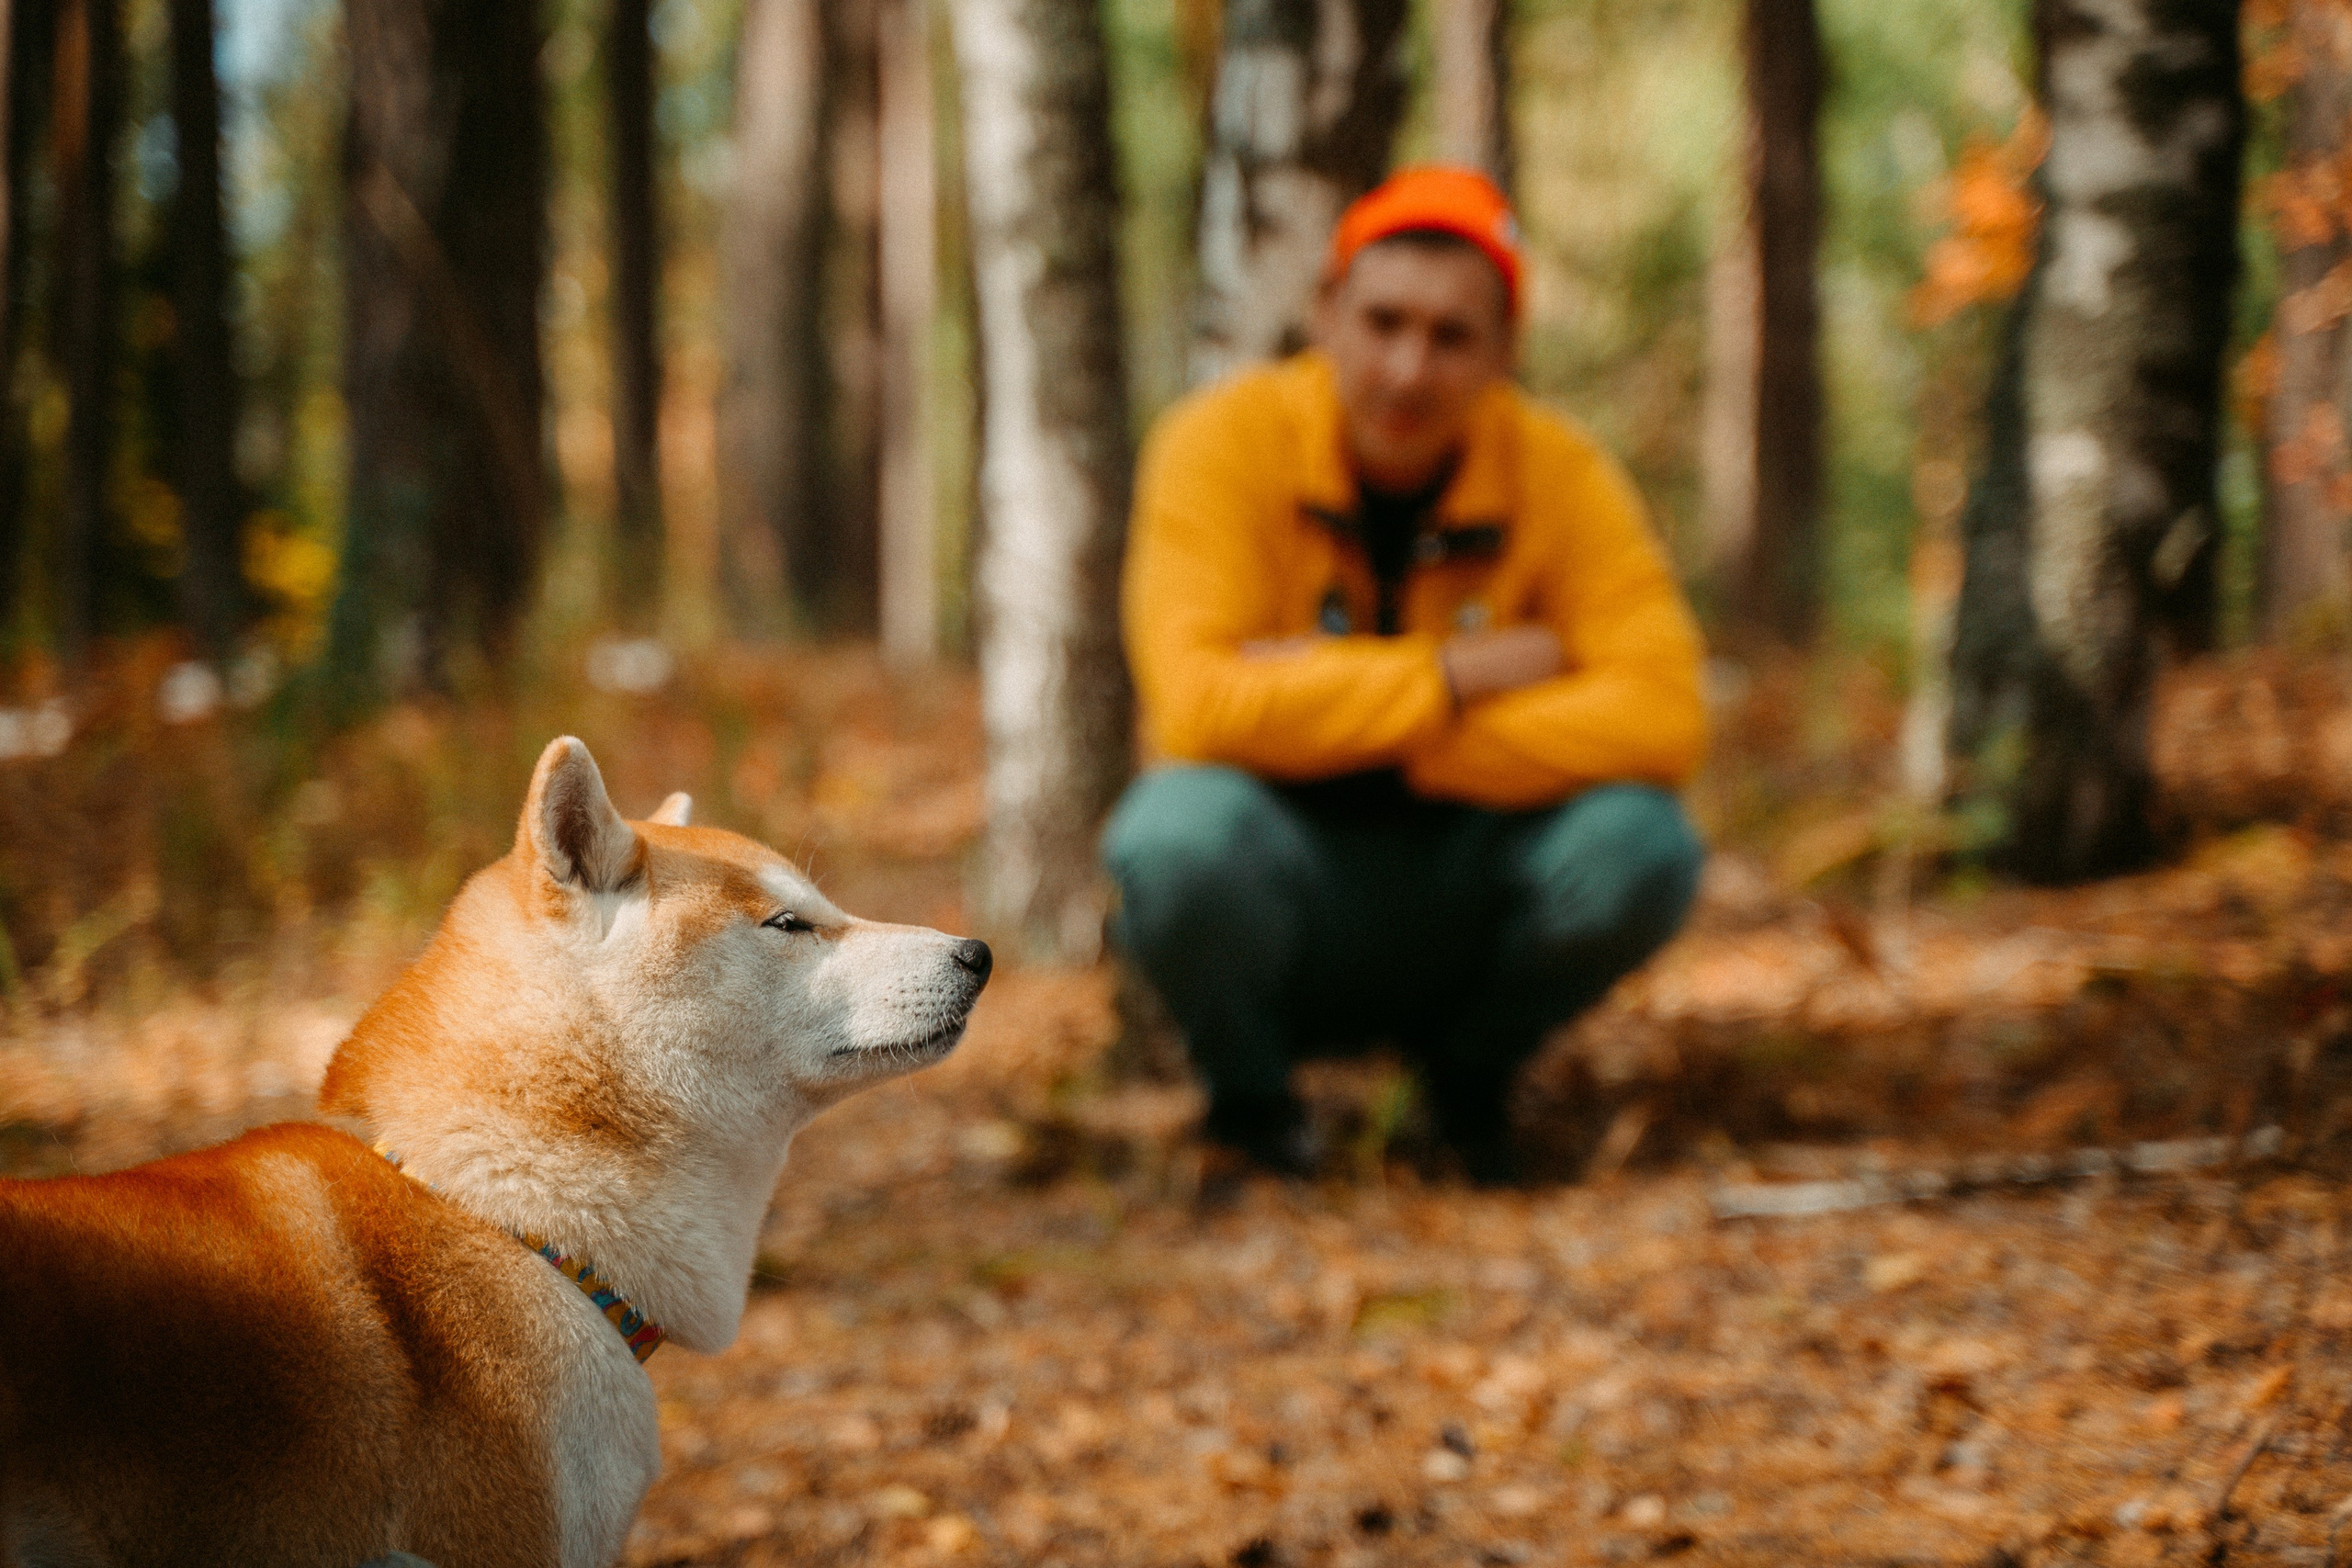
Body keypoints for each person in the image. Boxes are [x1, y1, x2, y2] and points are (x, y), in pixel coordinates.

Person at [1099, 167, 1710, 1184]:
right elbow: (1199, 706)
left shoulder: (1561, 472)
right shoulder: (1218, 443)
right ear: (1324, 314)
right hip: (1287, 883)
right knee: (1174, 838)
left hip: (1466, 885)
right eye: (1381, 321)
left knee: (1640, 846)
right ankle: (1252, 1117)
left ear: (1503, 352)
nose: (1407, 368)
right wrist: (1461, 674)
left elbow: (1664, 716)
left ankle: (1466, 1087)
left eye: (1450, 335)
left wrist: (1350, 718)